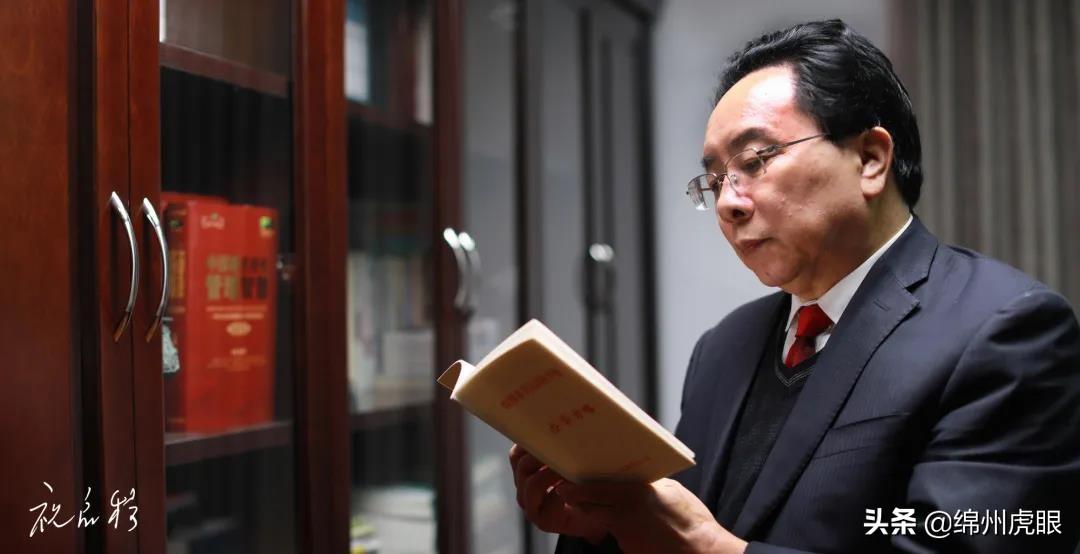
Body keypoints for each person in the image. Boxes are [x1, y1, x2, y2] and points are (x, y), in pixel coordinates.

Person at [508, 19, 1080, 553]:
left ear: (871, 159)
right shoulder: (723, 347)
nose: (728, 203)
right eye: (715, 179)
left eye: (756, 160)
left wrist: (712, 548)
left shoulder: (1004, 331)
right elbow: (678, 528)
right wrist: (604, 527)